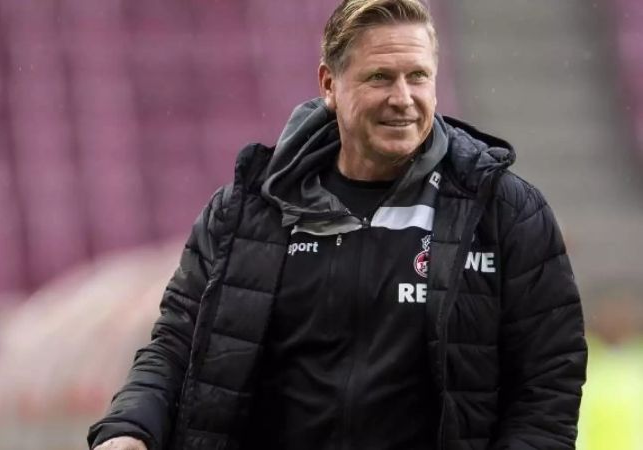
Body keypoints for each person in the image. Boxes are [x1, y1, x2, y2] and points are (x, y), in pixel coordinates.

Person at [88, 0, 587, 448]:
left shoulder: (504, 211)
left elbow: (548, 383)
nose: (403, 97)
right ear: (329, 84)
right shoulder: (246, 211)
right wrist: (128, 430)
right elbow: (176, 345)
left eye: (418, 76)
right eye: (380, 78)